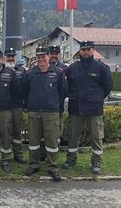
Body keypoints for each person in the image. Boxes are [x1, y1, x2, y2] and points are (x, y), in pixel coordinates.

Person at [63, 41, 113, 175]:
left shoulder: (101, 68)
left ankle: (96, 162)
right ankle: (71, 159)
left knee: (96, 137)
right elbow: (68, 86)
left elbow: (107, 86)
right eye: (83, 49)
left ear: (93, 50)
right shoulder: (73, 68)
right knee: (73, 136)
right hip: (76, 108)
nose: (85, 52)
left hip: (94, 109)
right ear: (80, 51)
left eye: (88, 49)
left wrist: (97, 97)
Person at [23, 46, 67, 182]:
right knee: (34, 141)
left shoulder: (59, 73)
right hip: (34, 112)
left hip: (51, 112)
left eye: (43, 56)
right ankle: (34, 164)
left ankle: (52, 167)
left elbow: (63, 92)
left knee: (52, 141)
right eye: (38, 56)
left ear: (48, 57)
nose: (41, 59)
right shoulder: (30, 73)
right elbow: (25, 91)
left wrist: (54, 104)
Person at [4, 47, 26, 164]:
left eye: (12, 56)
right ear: (5, 58)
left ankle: (18, 154)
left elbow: (26, 87)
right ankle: (6, 156)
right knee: (6, 132)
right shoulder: (1, 70)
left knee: (17, 131)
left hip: (17, 106)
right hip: (4, 107)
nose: (10, 58)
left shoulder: (22, 71)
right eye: (8, 56)